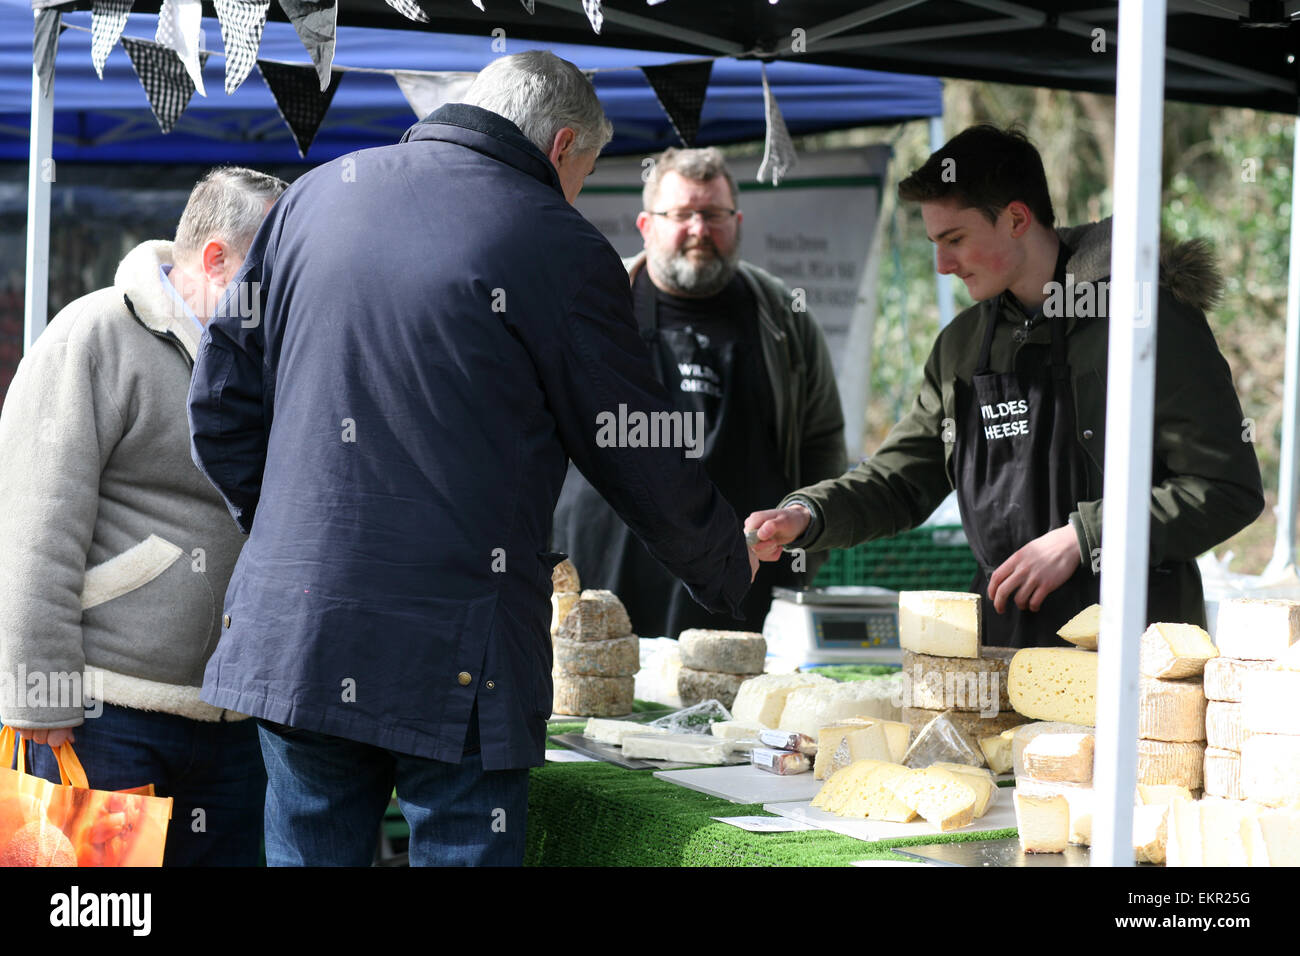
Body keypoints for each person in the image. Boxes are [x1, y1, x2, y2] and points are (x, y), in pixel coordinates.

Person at [187, 51, 756, 867]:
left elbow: (217, 403)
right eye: (586, 173)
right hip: (460, 648)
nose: (578, 192)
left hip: (299, 626)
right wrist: (725, 554)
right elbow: (635, 443)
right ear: (562, 146)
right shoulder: (556, 241)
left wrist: (292, 531)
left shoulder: (312, 196)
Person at [747, 125, 1263, 648]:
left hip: (1135, 647)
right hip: (1002, 646)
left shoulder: (1146, 321)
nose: (943, 265)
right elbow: (900, 480)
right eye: (934, 243)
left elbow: (1226, 489)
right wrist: (808, 514)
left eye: (955, 240)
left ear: (1016, 218)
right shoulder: (962, 345)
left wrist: (1083, 539)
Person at [0, 166, 287, 865]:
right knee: (103, 917)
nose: (290, 290)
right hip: (103, 714)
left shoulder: (267, 356)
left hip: (234, 712)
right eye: (276, 271)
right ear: (218, 258)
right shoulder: (93, 334)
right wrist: (39, 692)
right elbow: (37, 523)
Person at [552, 148, 847, 639]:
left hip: (738, 585)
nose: (699, 230)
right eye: (682, 215)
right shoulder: (594, 299)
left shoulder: (782, 318)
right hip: (599, 577)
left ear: (737, 221)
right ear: (646, 224)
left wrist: (805, 551)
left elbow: (822, 442)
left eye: (713, 215)